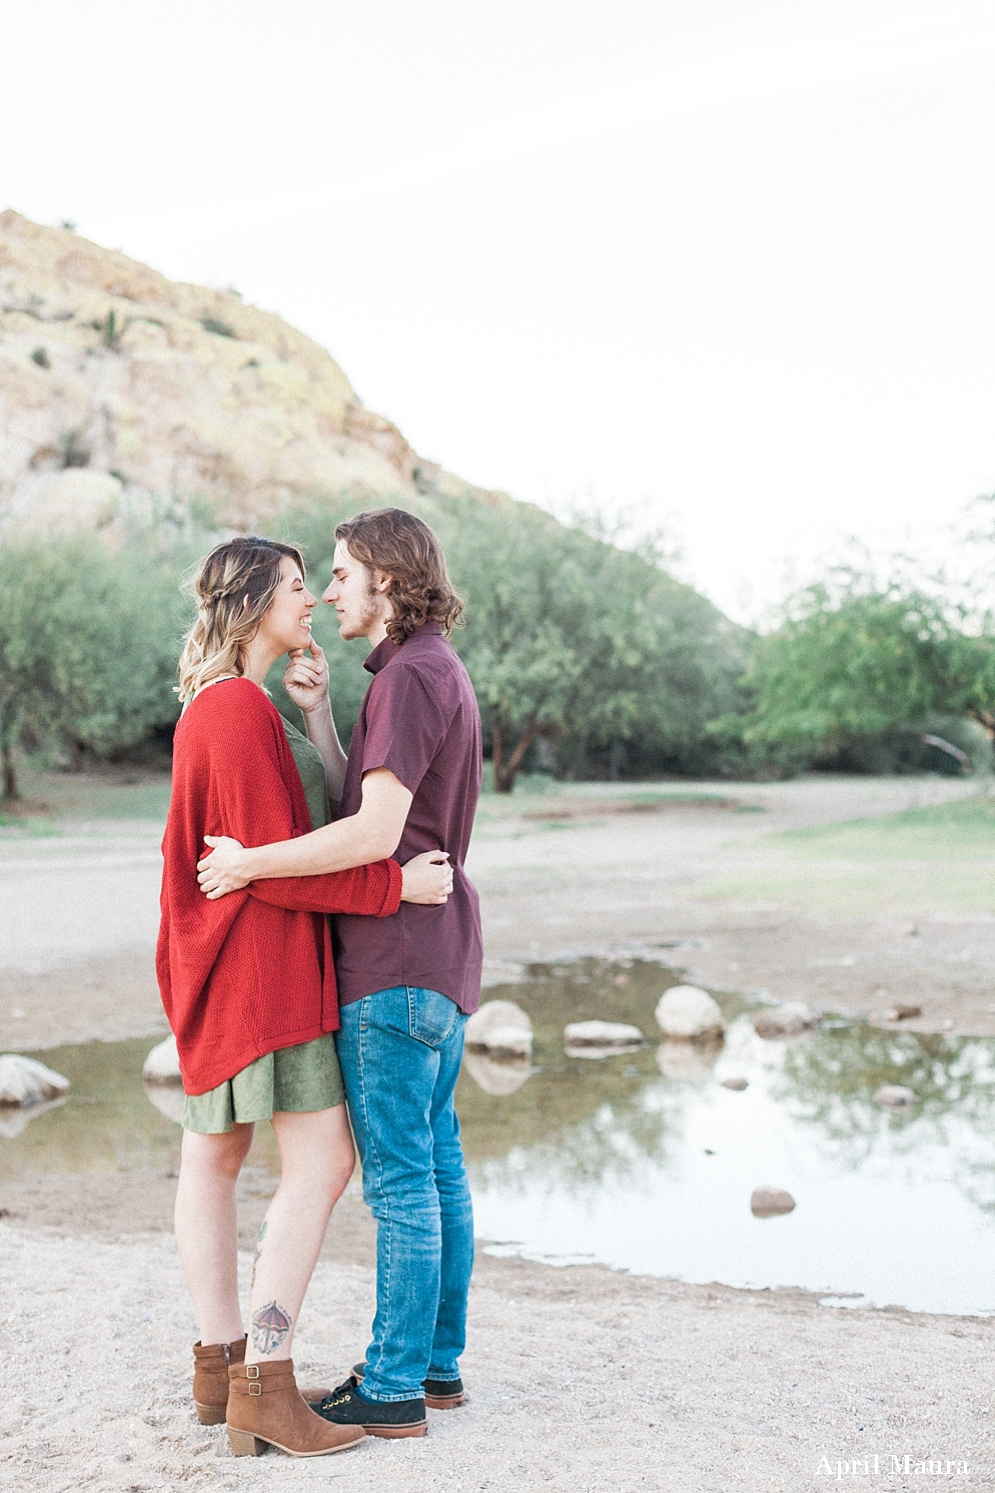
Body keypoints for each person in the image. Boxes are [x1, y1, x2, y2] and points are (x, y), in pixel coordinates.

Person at [158, 534, 453, 1458]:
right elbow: (267, 874)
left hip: (215, 965)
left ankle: (222, 1369)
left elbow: (280, 842)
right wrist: (392, 889)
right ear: (250, 605)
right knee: (322, 1163)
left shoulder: (226, 705)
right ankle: (267, 1385)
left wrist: (318, 719)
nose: (313, 601)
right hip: (264, 970)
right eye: (295, 586)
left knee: (211, 1158)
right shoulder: (238, 709)